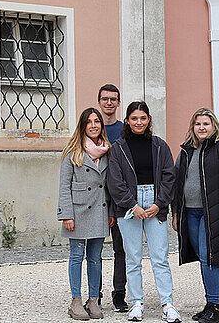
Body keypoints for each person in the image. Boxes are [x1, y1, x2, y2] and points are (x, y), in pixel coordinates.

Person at [107, 101, 181, 323]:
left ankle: (167, 304)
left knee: (160, 257)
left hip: (155, 205)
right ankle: (136, 303)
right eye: (134, 118)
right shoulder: (118, 148)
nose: (138, 122)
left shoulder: (160, 145)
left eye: (143, 118)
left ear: (148, 120)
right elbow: (115, 180)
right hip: (129, 206)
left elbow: (170, 176)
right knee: (133, 258)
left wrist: (159, 203)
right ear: (127, 121)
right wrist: (132, 205)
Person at [172, 108, 219, 323]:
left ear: (214, 126)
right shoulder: (186, 151)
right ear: (193, 127)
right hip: (190, 213)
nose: (202, 128)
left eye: (206, 124)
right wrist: (176, 213)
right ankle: (209, 304)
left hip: (212, 212)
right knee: (203, 258)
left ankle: (215, 308)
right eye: (198, 124)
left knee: (209, 258)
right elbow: (177, 183)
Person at [57, 107, 111, 320]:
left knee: (95, 258)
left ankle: (94, 300)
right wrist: (66, 214)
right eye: (89, 122)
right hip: (78, 212)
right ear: (82, 126)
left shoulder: (108, 151)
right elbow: (64, 186)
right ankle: (76, 301)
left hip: (100, 210)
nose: (93, 125)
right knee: (77, 256)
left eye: (97, 121)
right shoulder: (73, 152)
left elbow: (111, 186)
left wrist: (112, 212)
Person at [97, 83, 128, 312]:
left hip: (119, 197)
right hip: (95, 198)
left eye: (113, 99)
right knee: (94, 250)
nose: (109, 102)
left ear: (118, 102)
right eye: (105, 98)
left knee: (121, 248)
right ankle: (93, 293)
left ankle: (119, 294)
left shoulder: (125, 129)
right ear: (99, 101)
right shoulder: (92, 127)